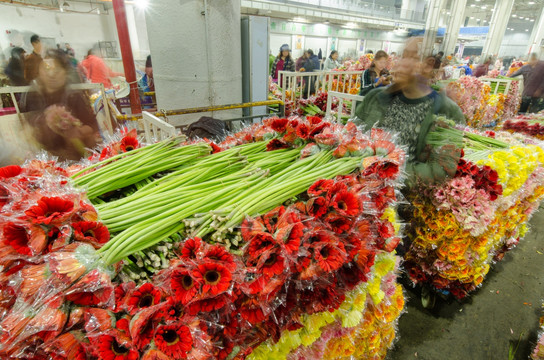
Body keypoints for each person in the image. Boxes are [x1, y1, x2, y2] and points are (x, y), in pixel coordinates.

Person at [354, 38, 465, 185]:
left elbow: (440, 171)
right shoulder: (376, 98)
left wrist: (385, 172)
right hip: (362, 189)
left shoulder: (446, 112)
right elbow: (353, 138)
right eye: (403, 55)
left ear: (428, 65)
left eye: (412, 57)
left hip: (405, 200)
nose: (401, 63)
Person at [20, 49, 100, 161]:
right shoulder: (32, 95)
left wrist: (78, 132)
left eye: (56, 69)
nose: (51, 74)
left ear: (65, 72)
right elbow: (26, 127)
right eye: (46, 68)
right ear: (39, 71)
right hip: (43, 158)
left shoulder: (73, 96)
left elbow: (91, 124)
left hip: (75, 157)